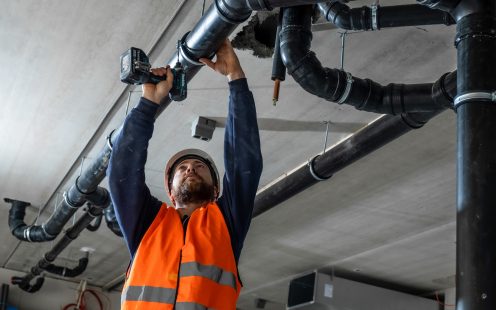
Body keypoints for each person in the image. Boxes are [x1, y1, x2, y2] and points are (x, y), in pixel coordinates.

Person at [108, 39, 263, 309]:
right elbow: (122, 171)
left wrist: (235, 79)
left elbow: (244, 163)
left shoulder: (226, 222)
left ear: (216, 191)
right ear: (170, 191)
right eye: (182, 169)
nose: (190, 168)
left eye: (199, 167)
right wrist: (148, 102)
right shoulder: (147, 223)